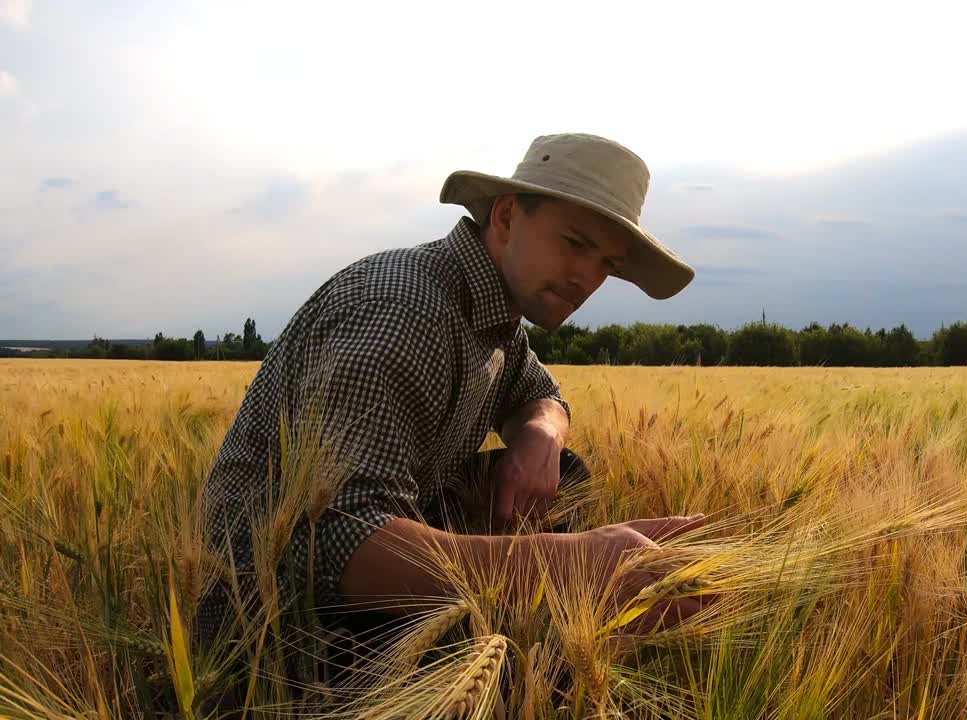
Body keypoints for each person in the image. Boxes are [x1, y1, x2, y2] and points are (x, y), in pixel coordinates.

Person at [196, 133, 706, 684]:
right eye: (575, 243)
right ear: (507, 217)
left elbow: (541, 394)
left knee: (567, 475)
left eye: (606, 262)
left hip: (332, 580)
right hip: (268, 629)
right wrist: (565, 565)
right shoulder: (404, 313)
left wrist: (542, 434)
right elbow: (336, 542)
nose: (588, 278)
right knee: (527, 655)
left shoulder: (493, 310)